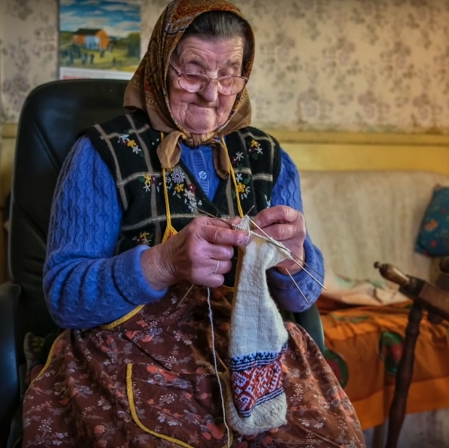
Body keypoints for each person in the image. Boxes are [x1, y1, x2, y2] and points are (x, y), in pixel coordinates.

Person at [22, 1, 366, 447]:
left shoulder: (266, 158)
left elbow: (304, 296)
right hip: (131, 354)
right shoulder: (103, 152)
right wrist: (162, 264)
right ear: (161, 67)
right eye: (193, 72)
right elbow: (63, 297)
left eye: (230, 74)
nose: (213, 93)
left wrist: (295, 260)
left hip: (252, 350)